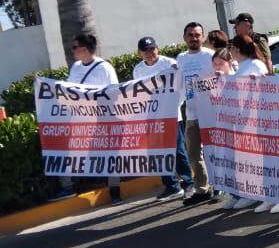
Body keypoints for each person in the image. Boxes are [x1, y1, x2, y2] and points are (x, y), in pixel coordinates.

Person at [133, 36, 191, 202]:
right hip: (152, 118)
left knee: (179, 151)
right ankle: (172, 186)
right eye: (145, 50)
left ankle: (188, 183)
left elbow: (182, 87)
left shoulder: (169, 63)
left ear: (157, 48)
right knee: (159, 153)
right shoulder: (138, 69)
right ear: (139, 53)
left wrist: (175, 105)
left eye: (152, 49)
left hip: (171, 115)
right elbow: (138, 93)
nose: (149, 53)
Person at [68, 33, 123, 204]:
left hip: (103, 117)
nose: (73, 51)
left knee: (109, 153)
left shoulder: (104, 68)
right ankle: (71, 185)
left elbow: (114, 92)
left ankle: (114, 189)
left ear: (84, 49)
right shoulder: (76, 67)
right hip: (83, 119)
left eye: (75, 47)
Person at [224, 35, 274, 212]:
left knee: (261, 160)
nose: (230, 52)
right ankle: (250, 194)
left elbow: (268, 86)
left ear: (237, 49)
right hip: (244, 119)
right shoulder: (242, 67)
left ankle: (269, 196)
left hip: (258, 119)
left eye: (231, 48)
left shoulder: (256, 65)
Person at [177, 22, 217, 206]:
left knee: (214, 151)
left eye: (197, 35)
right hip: (191, 113)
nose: (194, 38)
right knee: (193, 153)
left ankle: (219, 186)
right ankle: (202, 189)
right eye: (190, 35)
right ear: (185, 37)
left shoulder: (210, 55)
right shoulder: (181, 58)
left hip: (210, 111)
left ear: (203, 37)